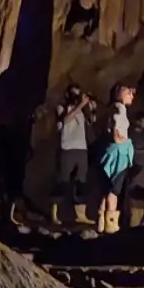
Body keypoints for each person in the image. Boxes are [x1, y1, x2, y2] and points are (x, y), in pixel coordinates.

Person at [52, 84, 97, 225]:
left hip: (81, 149)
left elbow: (91, 123)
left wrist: (92, 109)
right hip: (67, 148)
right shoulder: (61, 107)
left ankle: (81, 214)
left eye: (78, 94)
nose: (76, 97)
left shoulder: (81, 110)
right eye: (74, 94)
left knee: (81, 182)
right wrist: (80, 106)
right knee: (62, 181)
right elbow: (65, 121)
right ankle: (55, 214)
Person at [96, 84, 136, 234]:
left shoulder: (113, 107)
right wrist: (122, 142)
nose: (132, 96)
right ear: (120, 94)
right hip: (118, 154)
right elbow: (116, 130)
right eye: (129, 93)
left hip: (109, 152)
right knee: (114, 190)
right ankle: (111, 226)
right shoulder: (120, 109)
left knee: (106, 190)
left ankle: (101, 222)